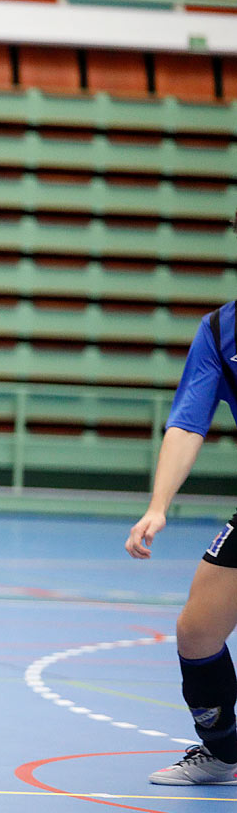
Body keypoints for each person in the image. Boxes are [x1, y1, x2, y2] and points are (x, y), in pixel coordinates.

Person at [126, 281, 237, 785]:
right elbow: (189, 422)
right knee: (197, 632)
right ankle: (224, 750)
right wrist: (158, 505)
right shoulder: (220, 329)